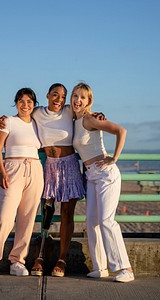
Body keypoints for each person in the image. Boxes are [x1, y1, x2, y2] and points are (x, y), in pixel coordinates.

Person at [0, 83, 104, 277]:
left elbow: (84, 112)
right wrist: (3, 119)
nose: (59, 99)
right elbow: (22, 114)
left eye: (63, 97)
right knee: (46, 211)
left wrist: (98, 115)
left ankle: (62, 260)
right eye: (55, 95)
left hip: (69, 165)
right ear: (47, 95)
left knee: (66, 213)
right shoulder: (37, 112)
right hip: (49, 166)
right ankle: (40, 256)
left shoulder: (69, 111)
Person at [71, 82, 134, 283]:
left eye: (82, 97)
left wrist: (114, 158)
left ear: (89, 101)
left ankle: (125, 268)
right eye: (75, 96)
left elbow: (121, 131)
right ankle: (100, 267)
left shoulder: (90, 119)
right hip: (91, 176)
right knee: (91, 222)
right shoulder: (74, 119)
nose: (77, 100)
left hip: (106, 174)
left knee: (107, 220)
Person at [0, 88, 44, 278]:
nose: (25, 105)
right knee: (4, 216)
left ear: (34, 103)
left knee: (27, 218)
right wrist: (2, 172)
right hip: (12, 169)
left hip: (35, 169)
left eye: (29, 101)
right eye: (21, 101)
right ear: (16, 103)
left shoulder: (38, 123)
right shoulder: (7, 121)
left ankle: (17, 261)